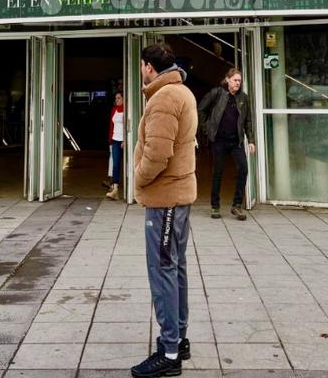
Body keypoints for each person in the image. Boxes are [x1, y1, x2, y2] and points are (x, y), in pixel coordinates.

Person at [131, 42, 197, 378]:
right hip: (177, 197)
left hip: (165, 200)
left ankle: (169, 353)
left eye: (141, 66)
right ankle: (178, 339)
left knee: (163, 272)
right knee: (175, 268)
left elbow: (157, 154)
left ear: (148, 66)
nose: (141, 71)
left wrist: (138, 177)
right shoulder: (180, 91)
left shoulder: (165, 97)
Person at [198, 67, 255, 221]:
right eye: (235, 80)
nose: (238, 83)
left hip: (236, 141)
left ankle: (237, 205)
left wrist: (250, 140)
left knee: (243, 169)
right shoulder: (217, 93)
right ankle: (215, 205)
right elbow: (201, 110)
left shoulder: (243, 98)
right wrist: (206, 130)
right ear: (227, 79)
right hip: (219, 141)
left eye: (239, 81)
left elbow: (248, 121)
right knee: (218, 172)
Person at [106, 92, 125, 200]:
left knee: (128, 164)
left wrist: (125, 139)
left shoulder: (127, 110)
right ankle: (115, 189)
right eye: (116, 98)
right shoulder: (114, 110)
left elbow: (128, 125)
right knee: (115, 164)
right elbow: (111, 126)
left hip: (123, 141)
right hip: (115, 140)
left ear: (123, 99)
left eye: (119, 98)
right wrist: (110, 141)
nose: (117, 100)